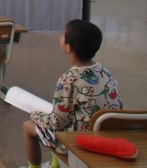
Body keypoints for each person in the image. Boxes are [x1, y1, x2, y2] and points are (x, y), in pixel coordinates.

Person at [20, 19, 123, 168]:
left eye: (63, 34)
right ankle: (56, 164)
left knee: (28, 126)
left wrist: (35, 114)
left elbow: (57, 123)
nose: (61, 36)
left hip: (77, 143)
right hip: (105, 136)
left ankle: (34, 167)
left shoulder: (69, 79)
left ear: (69, 47)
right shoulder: (104, 70)